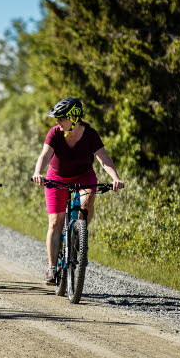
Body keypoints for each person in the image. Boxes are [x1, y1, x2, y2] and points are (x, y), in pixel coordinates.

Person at [31, 97, 124, 285]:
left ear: (74, 118)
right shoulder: (54, 133)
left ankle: (79, 235)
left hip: (84, 176)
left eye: (61, 119)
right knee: (55, 222)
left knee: (87, 202)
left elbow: (103, 158)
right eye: (57, 119)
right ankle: (52, 268)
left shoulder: (90, 134)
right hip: (56, 177)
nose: (57, 122)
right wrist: (38, 172)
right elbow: (45, 155)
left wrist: (115, 178)